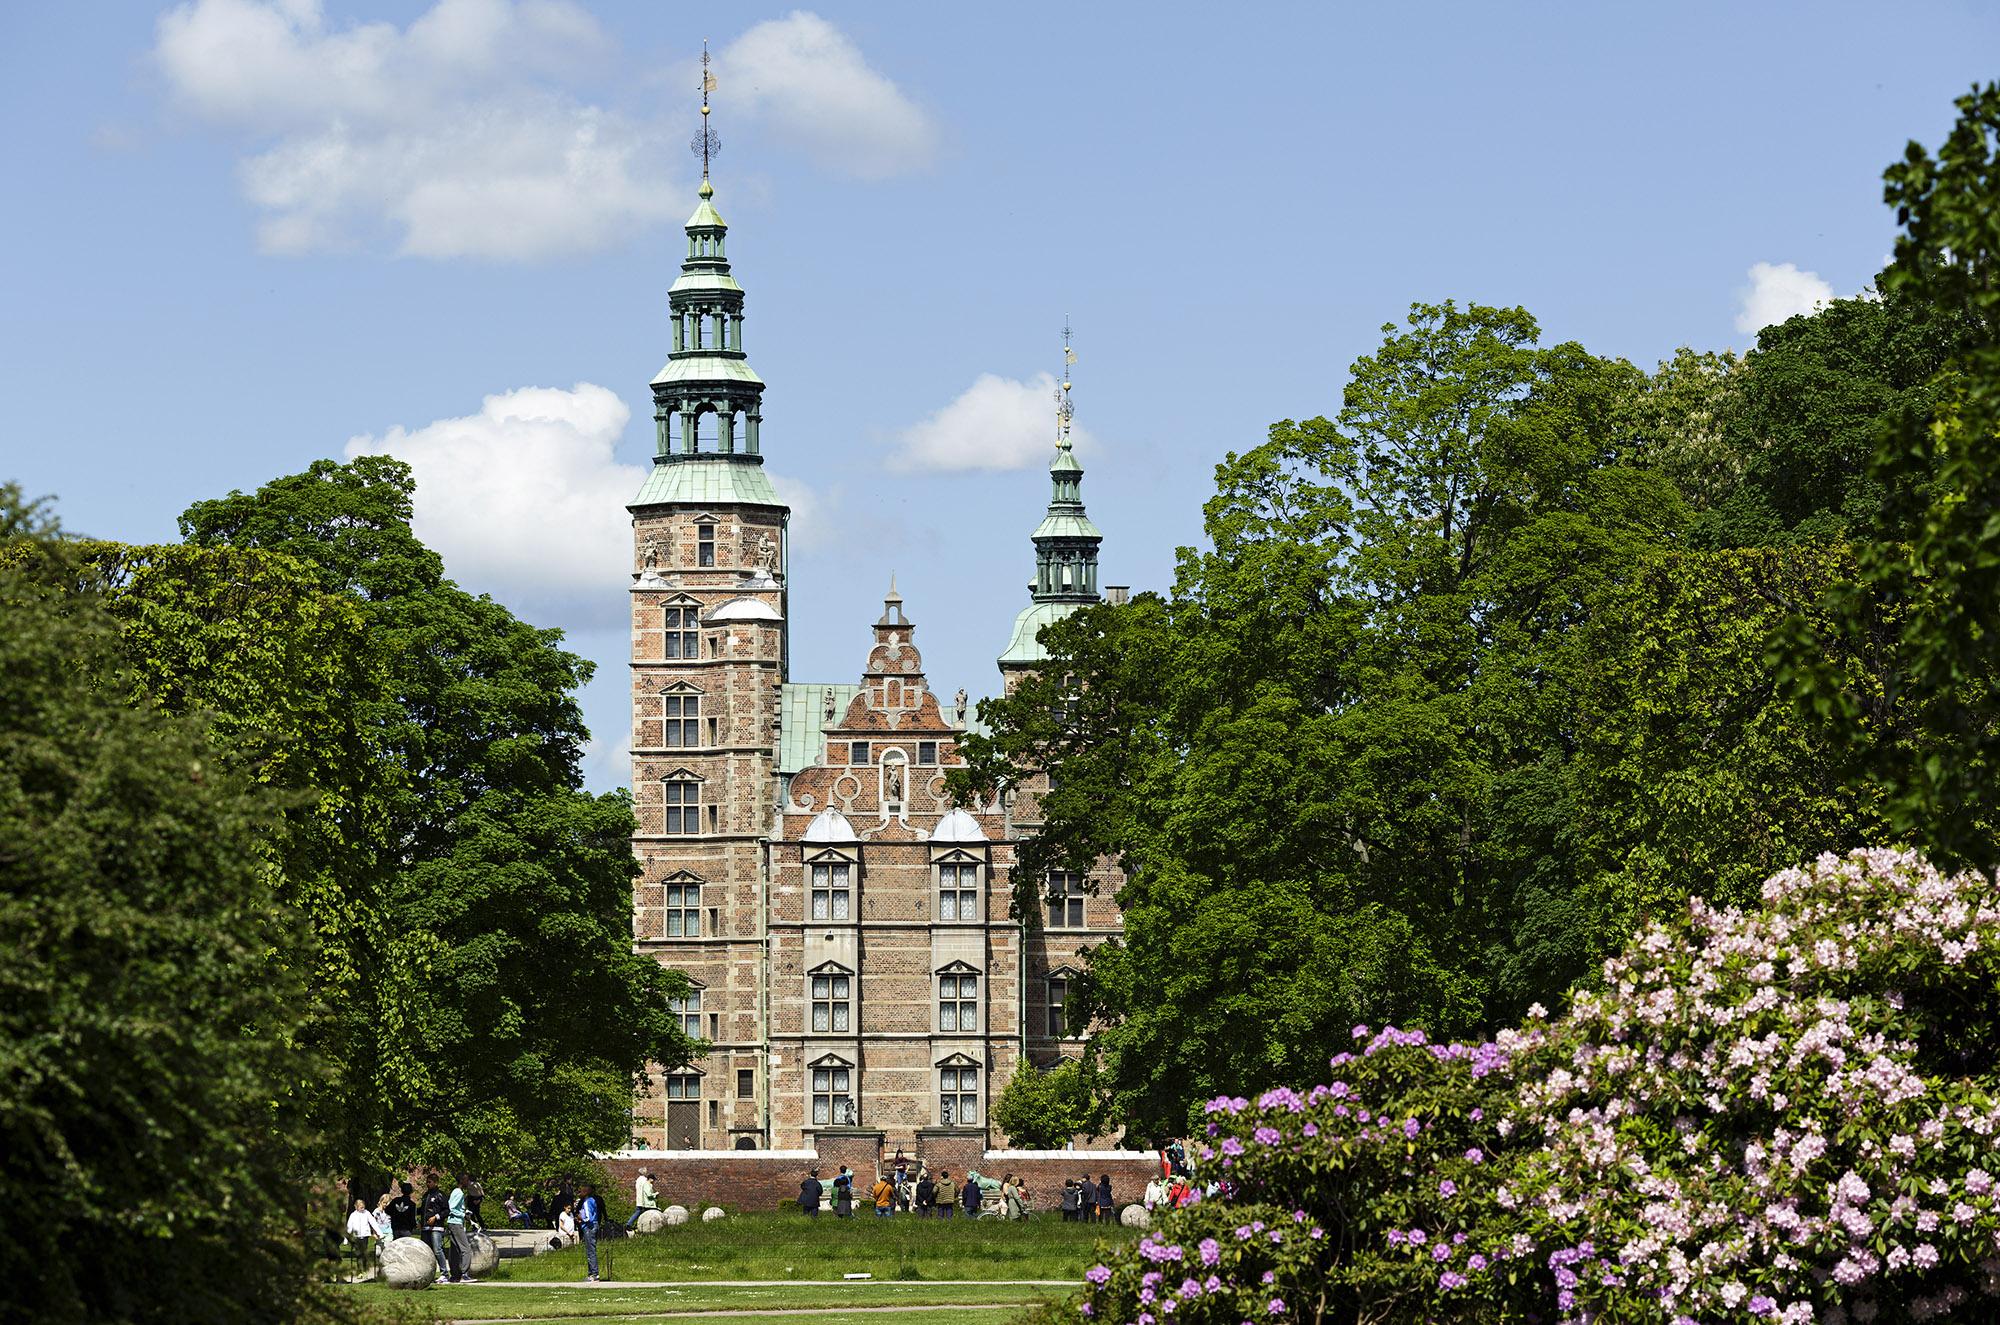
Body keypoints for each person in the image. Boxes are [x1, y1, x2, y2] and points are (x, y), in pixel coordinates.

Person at [421, 1178, 453, 1283]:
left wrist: (436, 1217)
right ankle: (427, 1273)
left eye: (430, 1181)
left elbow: (447, 1210)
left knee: (437, 1250)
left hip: (437, 1227)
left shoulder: (440, 1195)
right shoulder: (426, 1195)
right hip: (425, 1227)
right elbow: (422, 1210)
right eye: (427, 1182)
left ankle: (444, 1274)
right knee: (426, 1251)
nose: (428, 1183)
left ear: (436, 1182)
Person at [447, 1175, 476, 1283]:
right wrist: (463, 1215)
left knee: (454, 1250)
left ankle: (455, 1275)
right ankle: (464, 1274)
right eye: (467, 1180)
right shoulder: (459, 1193)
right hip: (456, 1224)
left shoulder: (455, 1191)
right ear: (462, 1181)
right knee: (466, 1249)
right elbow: (452, 1208)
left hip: (452, 1223)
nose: (468, 1182)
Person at [344, 1198, 377, 1281]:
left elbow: (373, 1222)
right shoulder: (353, 1215)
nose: (362, 1209)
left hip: (365, 1236)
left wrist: (379, 1233)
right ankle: (359, 1271)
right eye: (360, 1207)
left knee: (364, 1254)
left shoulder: (367, 1213)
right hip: (356, 1237)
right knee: (359, 1254)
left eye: (363, 1207)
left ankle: (364, 1270)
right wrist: (346, 1239)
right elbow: (349, 1227)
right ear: (356, 1207)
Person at [577, 1182, 603, 1282]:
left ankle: (594, 1274)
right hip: (594, 1225)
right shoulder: (592, 1200)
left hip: (589, 1228)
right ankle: (591, 1273)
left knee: (590, 1251)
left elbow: (588, 1217)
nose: (579, 1193)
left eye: (581, 1191)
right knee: (591, 1250)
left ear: (586, 1192)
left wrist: (580, 1217)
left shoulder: (587, 1202)